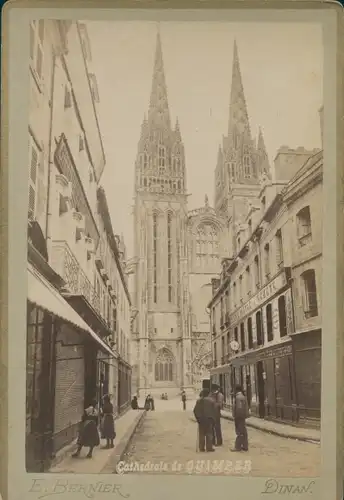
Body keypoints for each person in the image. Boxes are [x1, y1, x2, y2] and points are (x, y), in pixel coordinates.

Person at [231, 384, 249, 452]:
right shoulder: (242, 396)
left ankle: (237, 447)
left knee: (239, 432)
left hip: (239, 417)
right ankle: (245, 446)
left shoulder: (238, 397)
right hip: (242, 416)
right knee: (243, 432)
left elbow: (239, 407)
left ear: (236, 390)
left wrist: (237, 416)